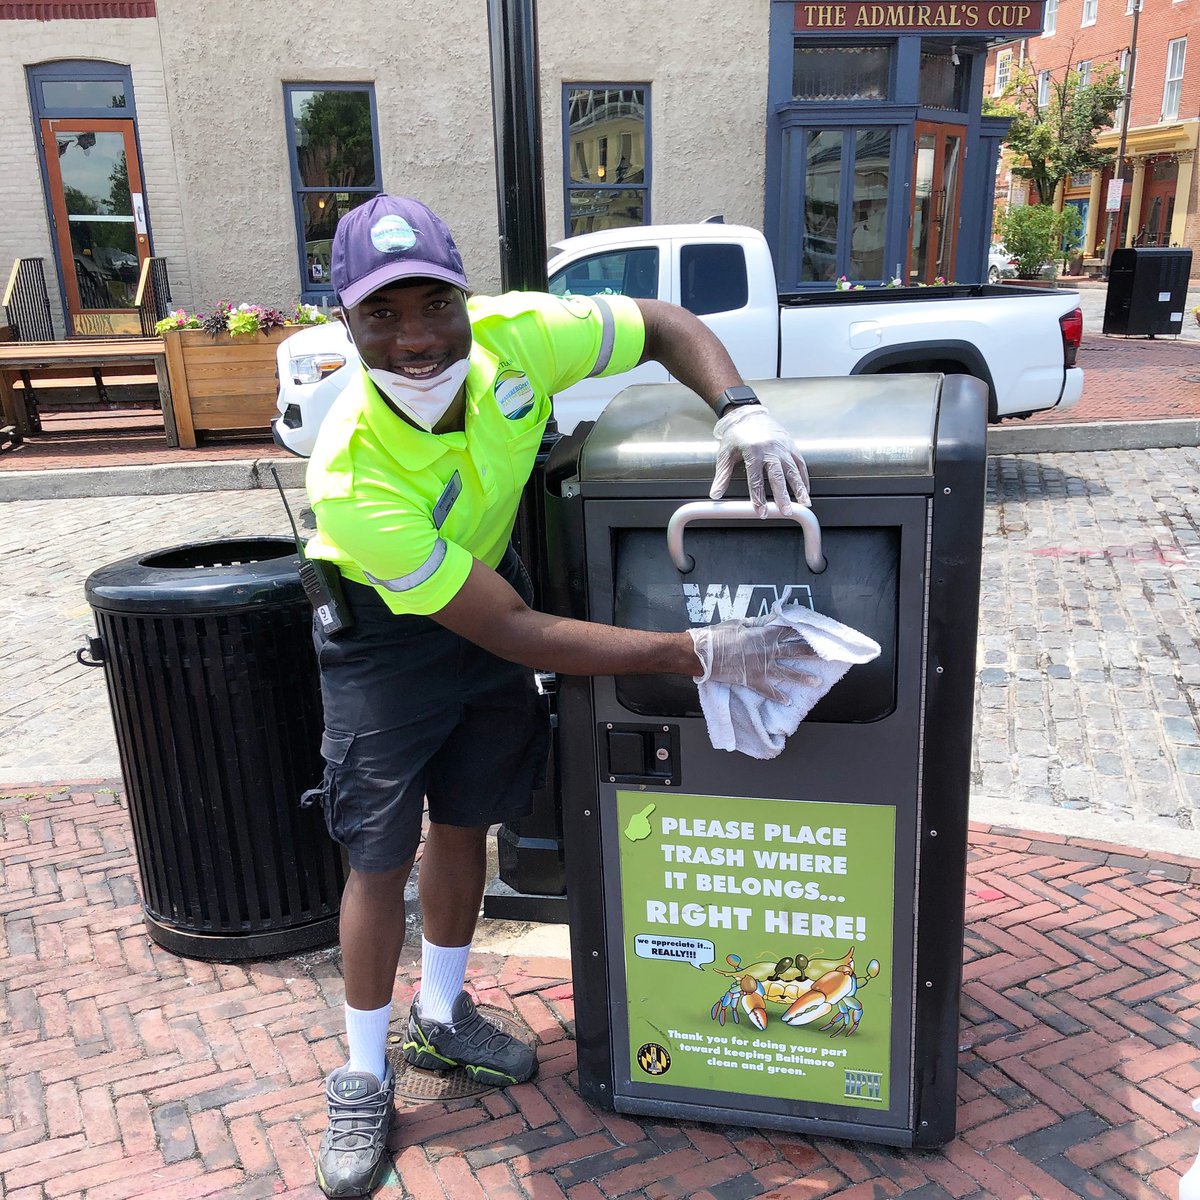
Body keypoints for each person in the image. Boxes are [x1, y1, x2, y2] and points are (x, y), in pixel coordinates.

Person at [303, 194, 813, 1197]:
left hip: (485, 596)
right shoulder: (351, 474)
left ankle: (442, 1019)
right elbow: (515, 634)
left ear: (465, 296)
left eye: (433, 307)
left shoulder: (520, 337)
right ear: (343, 321)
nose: (415, 339)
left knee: (467, 822)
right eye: (381, 316)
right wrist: (696, 652)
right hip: (386, 640)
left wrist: (740, 406)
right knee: (377, 852)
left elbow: (665, 325)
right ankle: (363, 1074)